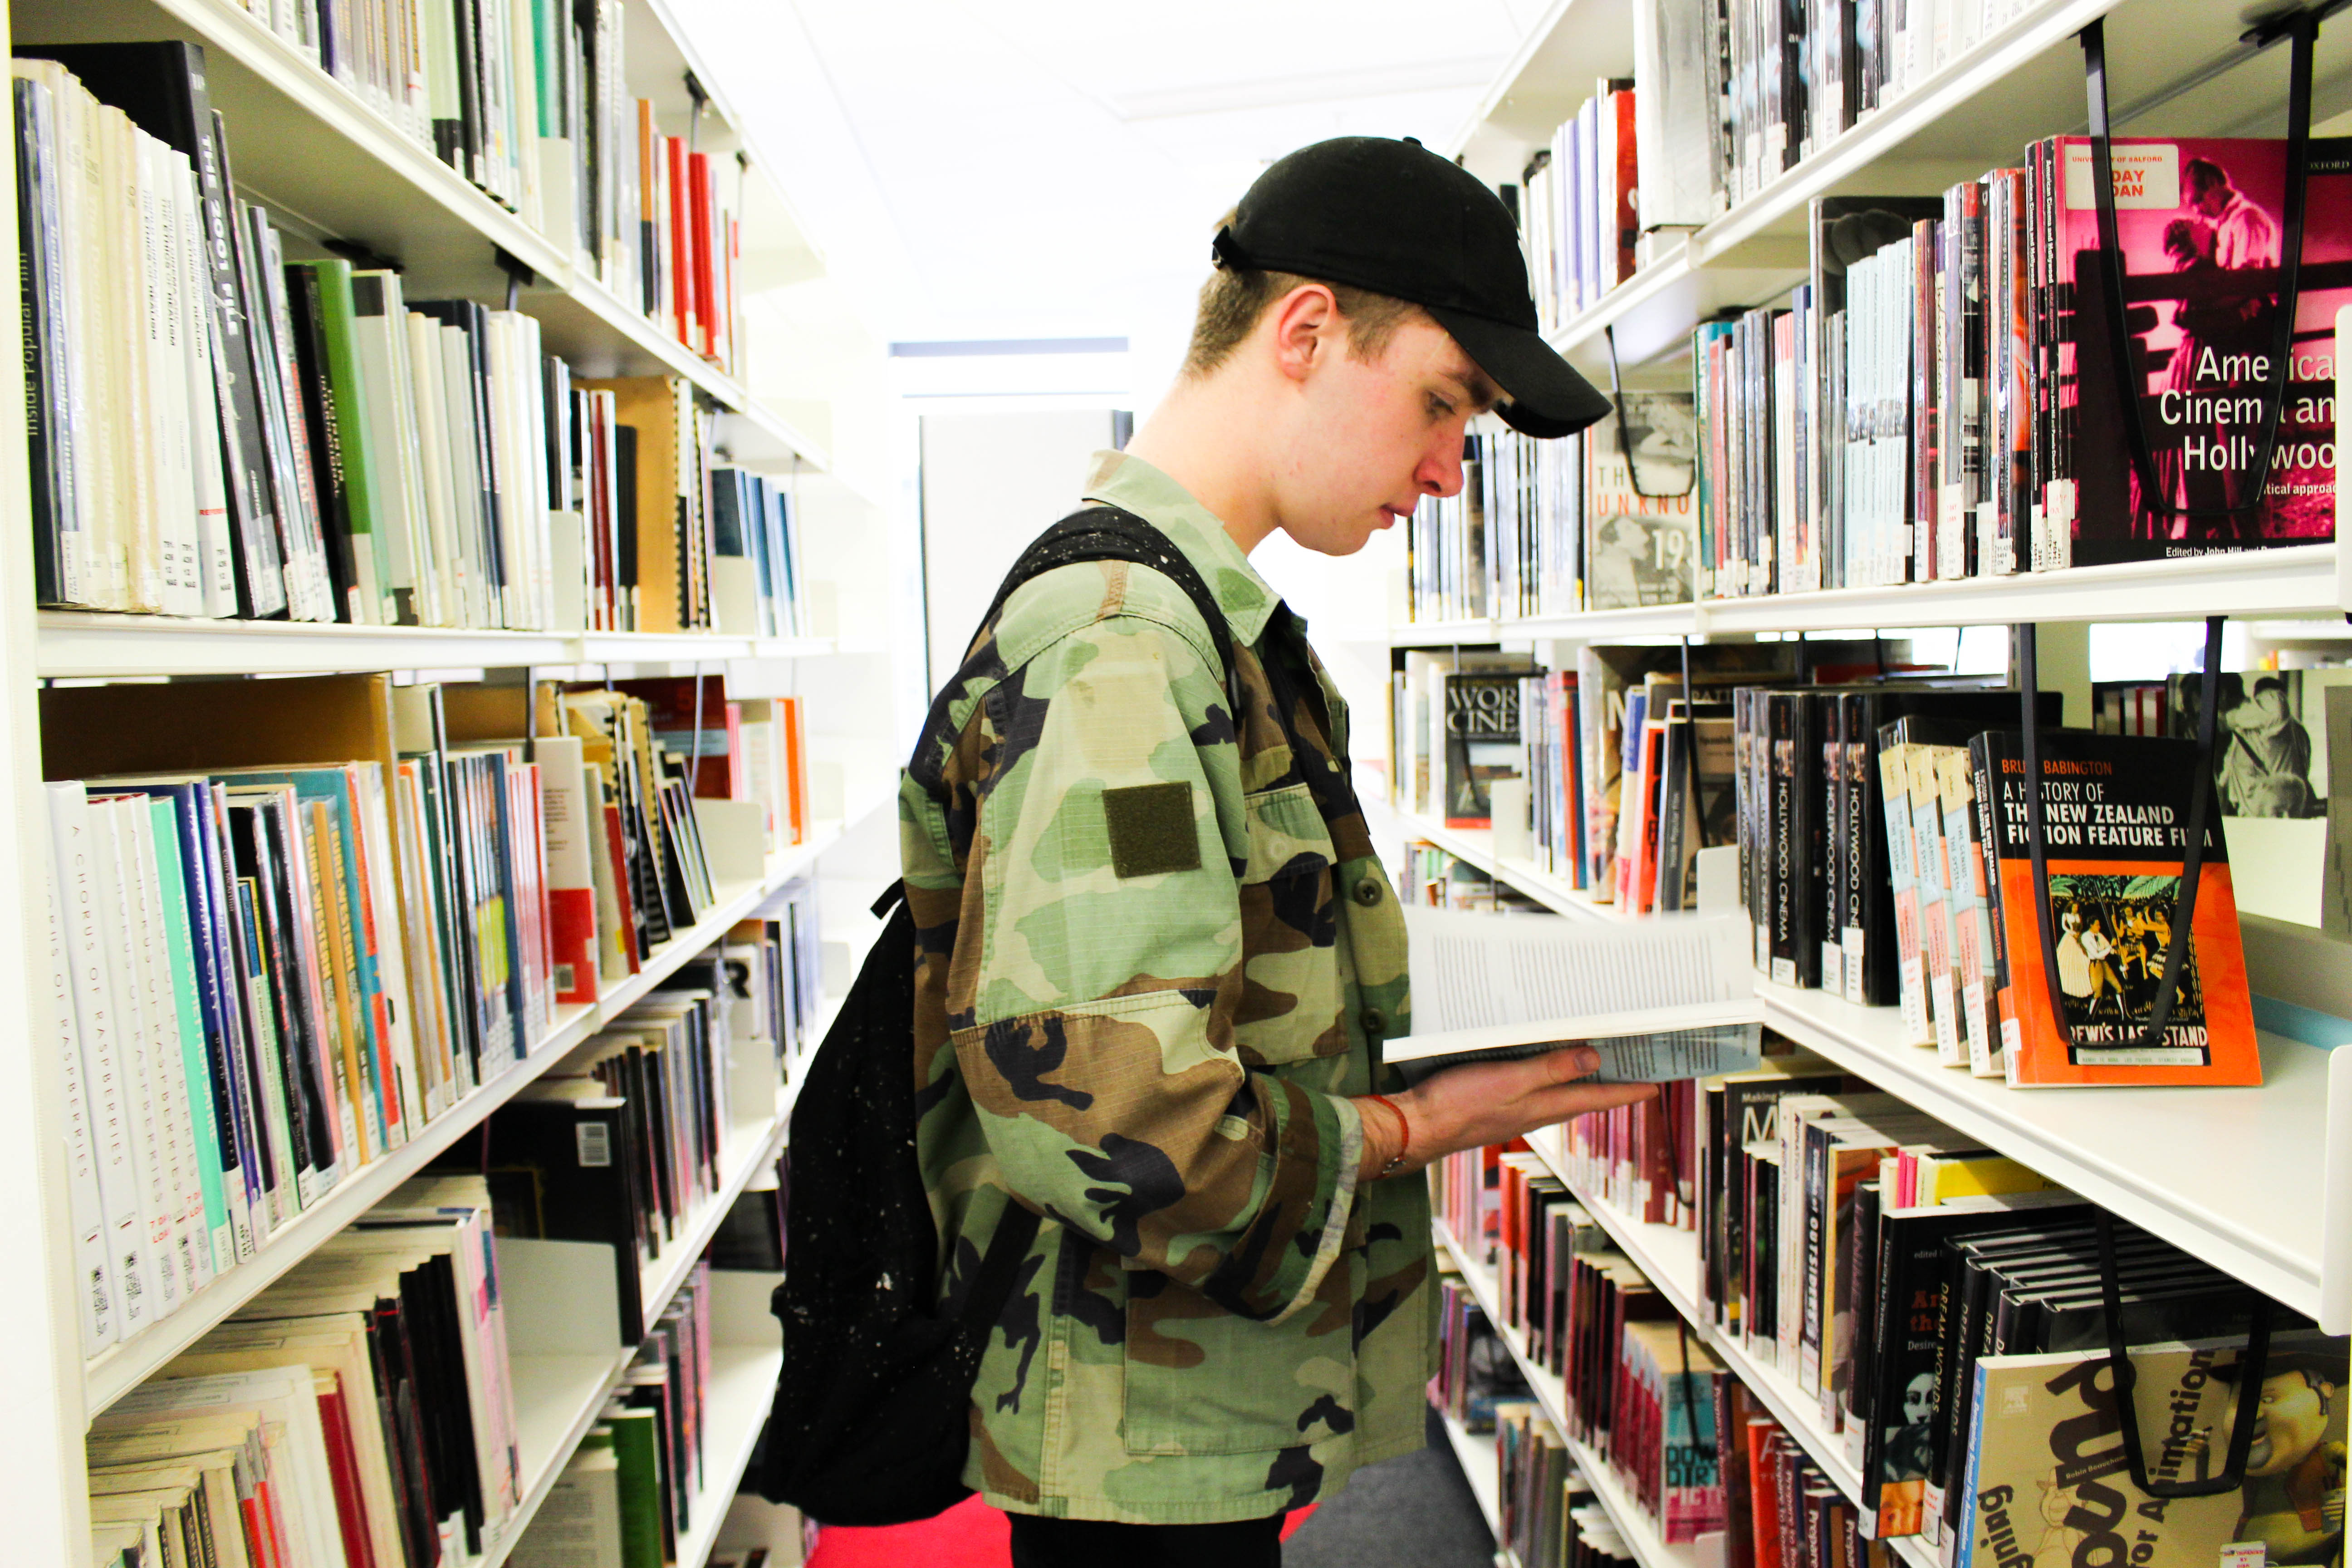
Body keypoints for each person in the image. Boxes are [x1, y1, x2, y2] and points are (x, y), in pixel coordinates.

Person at [900, 136, 1655, 1566]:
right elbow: (1118, 1116)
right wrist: (1420, 1126)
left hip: (1191, 1408)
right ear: (1306, 331)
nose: (1446, 471)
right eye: (1443, 403)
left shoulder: (1201, 622)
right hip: (1135, 1430)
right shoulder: (1127, 642)